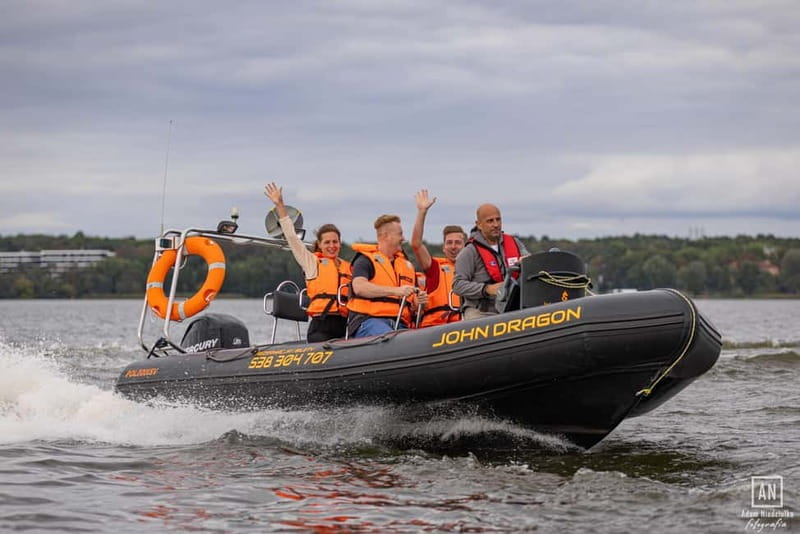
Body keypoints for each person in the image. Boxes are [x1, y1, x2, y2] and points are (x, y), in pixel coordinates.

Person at [264, 182, 351, 342]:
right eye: (327, 242)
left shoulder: (349, 267)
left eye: (335, 242)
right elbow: (292, 237)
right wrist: (280, 205)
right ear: (320, 245)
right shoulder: (312, 262)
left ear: (340, 243)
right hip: (321, 327)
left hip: (345, 326)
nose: (332, 246)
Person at [347, 214, 428, 337]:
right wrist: (396, 291)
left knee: (412, 339)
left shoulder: (406, 266)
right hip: (369, 320)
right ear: (386, 236)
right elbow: (359, 287)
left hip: (400, 323)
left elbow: (414, 306)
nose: (403, 238)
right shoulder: (365, 260)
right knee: (392, 338)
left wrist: (419, 302)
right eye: (400, 234)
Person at [452, 203, 529, 320]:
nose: (496, 225)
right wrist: (487, 289)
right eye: (490, 221)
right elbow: (457, 285)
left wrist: (527, 262)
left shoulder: (515, 243)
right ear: (479, 224)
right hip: (481, 312)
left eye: (498, 220)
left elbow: (529, 261)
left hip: (512, 308)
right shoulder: (469, 252)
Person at [410, 189, 466, 327]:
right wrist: (422, 212)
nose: (453, 247)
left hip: (464, 326)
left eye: (458, 243)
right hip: (436, 326)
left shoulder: (475, 270)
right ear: (443, 248)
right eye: (449, 243)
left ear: (465, 246)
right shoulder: (434, 268)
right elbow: (416, 244)